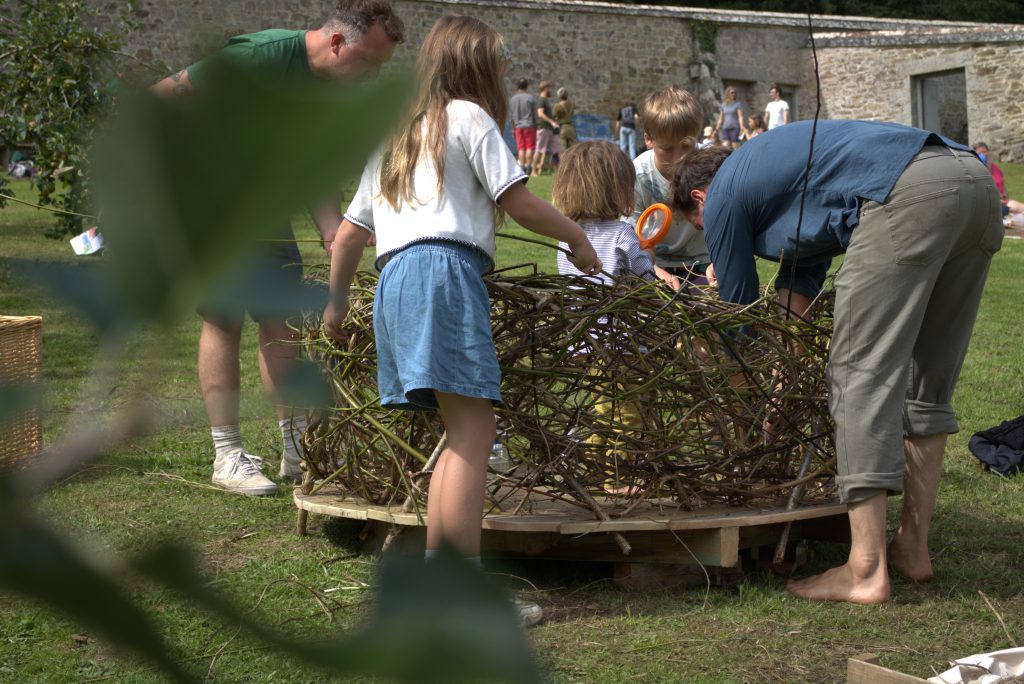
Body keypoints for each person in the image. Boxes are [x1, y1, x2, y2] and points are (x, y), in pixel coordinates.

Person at [322, 15, 601, 624]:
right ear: (477, 71)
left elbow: (347, 237)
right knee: (474, 435)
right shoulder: (470, 118)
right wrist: (579, 240)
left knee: (457, 436)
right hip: (444, 273)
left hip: (395, 283)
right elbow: (520, 203)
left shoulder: (393, 135)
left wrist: (337, 304)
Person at [673, 120, 1002, 604]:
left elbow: (738, 317)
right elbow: (796, 300)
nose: (710, 234)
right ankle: (912, 548)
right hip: (972, 185)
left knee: (857, 375)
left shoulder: (723, 194)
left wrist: (738, 408)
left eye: (699, 227)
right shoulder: (787, 177)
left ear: (700, 200)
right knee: (925, 382)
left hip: (908, 191)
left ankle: (865, 569)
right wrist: (780, 390)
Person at [151, 0, 404, 495]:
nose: (373, 78)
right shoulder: (260, 57)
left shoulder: (329, 92)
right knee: (222, 317)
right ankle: (227, 456)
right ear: (337, 43)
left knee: (281, 321)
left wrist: (334, 229)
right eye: (370, 64)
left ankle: (294, 452)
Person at [552, 141, 680, 493]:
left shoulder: (566, 238)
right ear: (618, 188)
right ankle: (618, 478)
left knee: (602, 406)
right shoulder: (624, 234)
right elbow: (642, 282)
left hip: (588, 339)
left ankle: (594, 470)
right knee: (627, 410)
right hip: (622, 341)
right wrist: (653, 266)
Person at [630, 85, 707, 283]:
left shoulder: (710, 165)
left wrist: (721, 260)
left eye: (686, 146)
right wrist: (655, 271)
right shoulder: (638, 175)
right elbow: (631, 240)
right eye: (667, 148)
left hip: (704, 261)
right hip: (654, 264)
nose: (679, 157)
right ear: (648, 139)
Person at [973, 141, 1024, 225]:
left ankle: (1009, 217)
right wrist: (997, 198)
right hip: (992, 203)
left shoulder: (996, 169)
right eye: (980, 153)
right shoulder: (977, 171)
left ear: (988, 153)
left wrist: (1004, 194)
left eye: (984, 152)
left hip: (1004, 201)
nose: (983, 154)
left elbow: (1003, 187)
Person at [533, 80, 562, 175]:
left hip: (550, 129)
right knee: (540, 150)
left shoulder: (546, 100)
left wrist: (554, 121)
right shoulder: (541, 100)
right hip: (543, 128)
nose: (551, 90)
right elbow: (540, 113)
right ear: (545, 88)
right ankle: (533, 171)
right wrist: (552, 122)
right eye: (549, 88)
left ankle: (559, 172)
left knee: (557, 149)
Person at [510, 78, 537, 175]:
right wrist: (536, 127)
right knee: (529, 147)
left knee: (521, 148)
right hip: (529, 125)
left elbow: (512, 116)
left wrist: (513, 129)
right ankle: (529, 166)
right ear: (527, 86)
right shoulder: (530, 98)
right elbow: (534, 114)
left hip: (518, 126)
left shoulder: (513, 99)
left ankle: (522, 166)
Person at [552, 87, 577, 152]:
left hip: (562, 128)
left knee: (563, 149)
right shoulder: (572, 104)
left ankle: (564, 161)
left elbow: (553, 116)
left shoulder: (557, 106)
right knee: (572, 149)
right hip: (571, 127)